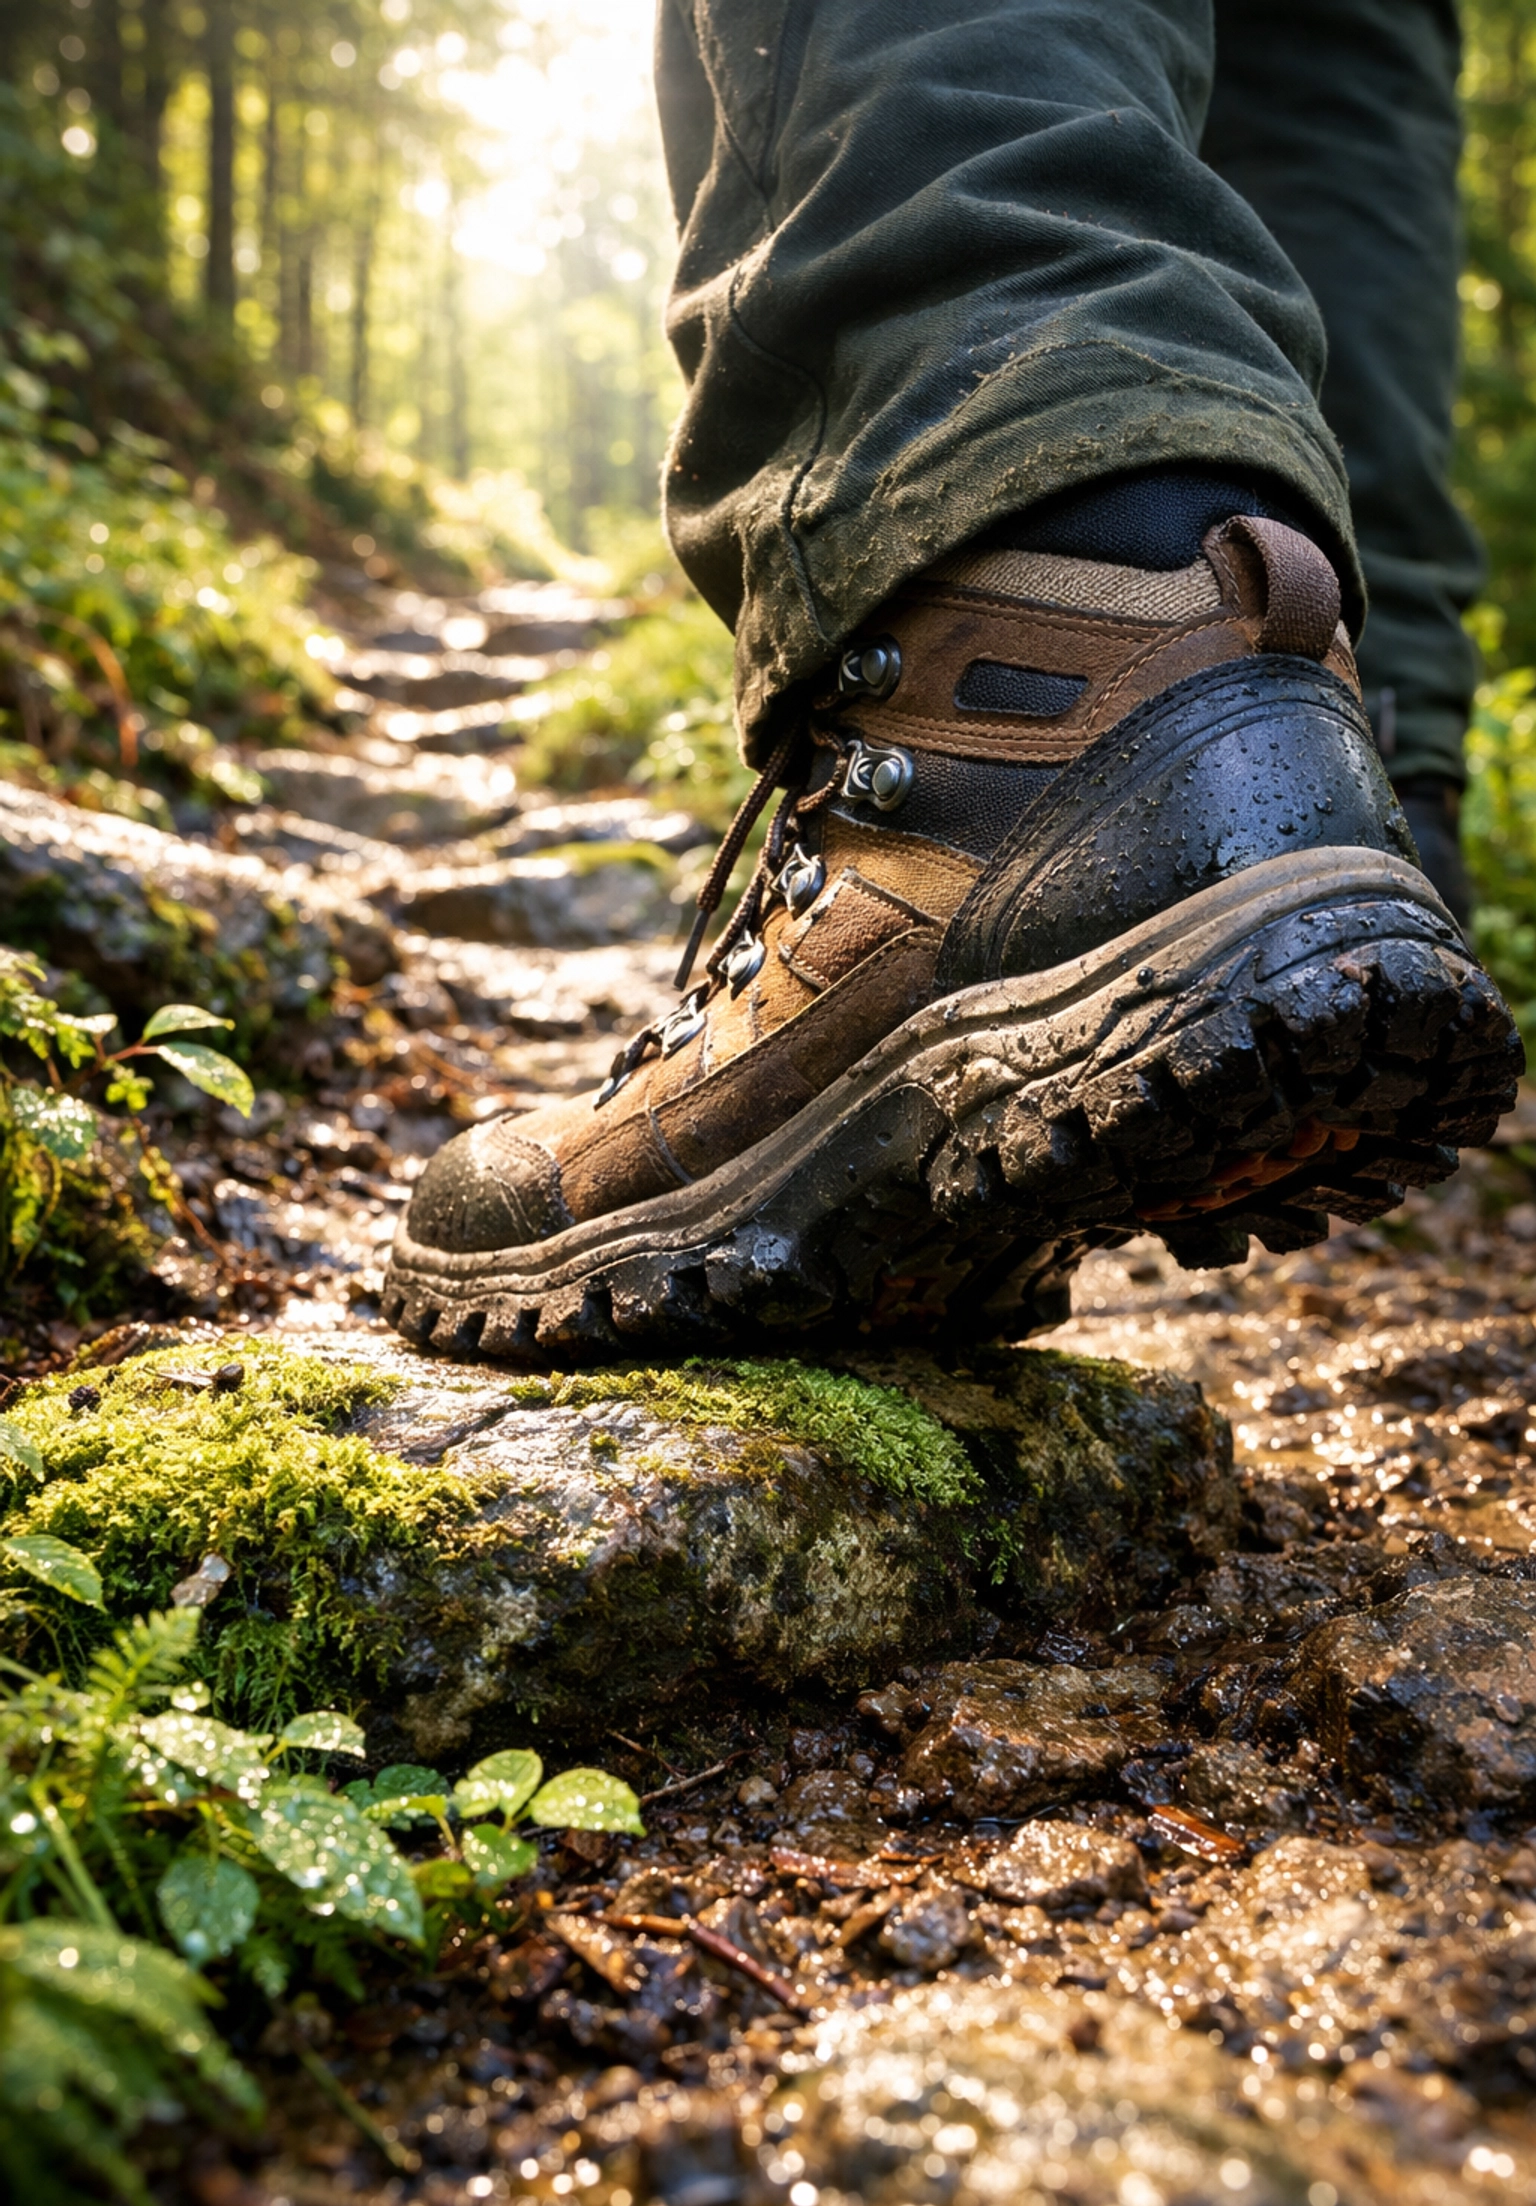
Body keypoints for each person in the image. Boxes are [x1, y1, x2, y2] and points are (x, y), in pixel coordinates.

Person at [384, 0, 1521, 1361]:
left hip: (1020, 690)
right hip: (1322, 715)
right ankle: (1324, 749)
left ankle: (1002, 719)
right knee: (1329, 40)